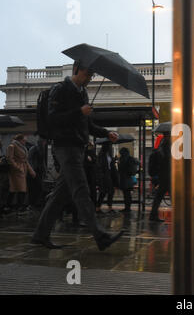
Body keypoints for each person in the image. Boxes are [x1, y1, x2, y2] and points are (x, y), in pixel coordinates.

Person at [31, 60, 123, 250]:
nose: (89, 78)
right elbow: (53, 119)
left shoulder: (83, 93)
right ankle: (100, 235)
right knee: (81, 191)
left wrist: (106, 133)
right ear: (76, 70)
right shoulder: (60, 89)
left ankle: (40, 235)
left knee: (60, 194)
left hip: (77, 148)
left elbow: (88, 126)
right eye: (87, 74)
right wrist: (78, 111)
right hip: (65, 147)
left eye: (91, 75)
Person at [6, 134, 36, 213]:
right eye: (23, 140)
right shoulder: (12, 146)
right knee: (18, 188)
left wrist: (31, 170)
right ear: (19, 140)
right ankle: (16, 206)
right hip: (16, 170)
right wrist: (18, 167)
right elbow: (9, 158)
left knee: (19, 188)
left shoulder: (22, 147)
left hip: (22, 169)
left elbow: (25, 160)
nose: (24, 142)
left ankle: (14, 206)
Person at [149, 133, 171, 222]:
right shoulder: (165, 151)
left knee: (158, 198)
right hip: (166, 178)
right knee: (174, 197)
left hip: (162, 178)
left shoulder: (159, 150)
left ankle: (153, 216)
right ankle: (180, 215)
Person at [96, 143, 119, 215]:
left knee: (111, 191)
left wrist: (114, 160)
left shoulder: (109, 155)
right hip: (104, 176)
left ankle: (110, 207)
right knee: (103, 192)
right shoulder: (101, 156)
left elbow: (111, 166)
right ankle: (98, 207)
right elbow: (99, 166)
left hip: (109, 175)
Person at [27, 137, 47, 211]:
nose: (45, 143)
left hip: (39, 171)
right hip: (33, 171)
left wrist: (45, 170)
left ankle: (36, 203)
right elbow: (29, 160)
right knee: (35, 187)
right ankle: (32, 204)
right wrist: (32, 170)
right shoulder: (33, 149)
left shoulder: (42, 150)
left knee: (38, 188)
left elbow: (43, 161)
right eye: (44, 141)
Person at [118, 147, 138, 213]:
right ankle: (128, 208)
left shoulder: (123, 159)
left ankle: (127, 208)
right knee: (128, 194)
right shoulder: (130, 158)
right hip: (129, 179)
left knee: (126, 194)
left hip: (124, 179)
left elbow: (120, 169)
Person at [0, 141, 10, 217]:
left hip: (4, 174)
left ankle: (2, 207)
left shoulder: (3, 153)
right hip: (3, 174)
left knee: (4, 190)